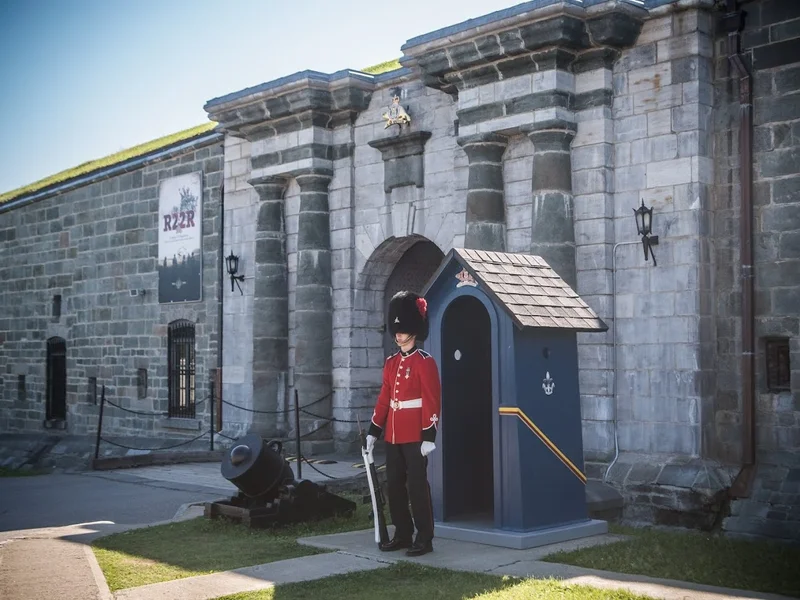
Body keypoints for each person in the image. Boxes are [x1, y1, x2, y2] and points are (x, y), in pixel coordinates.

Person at [366, 290, 441, 557]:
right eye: (396, 329)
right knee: (394, 485)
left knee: (417, 487)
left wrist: (429, 436)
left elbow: (432, 401)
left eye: (403, 329)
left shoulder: (425, 363)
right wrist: (375, 429)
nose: (398, 334)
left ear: (414, 330)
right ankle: (403, 533)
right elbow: (385, 398)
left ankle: (425, 536)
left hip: (415, 436)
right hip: (393, 435)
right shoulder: (391, 363)